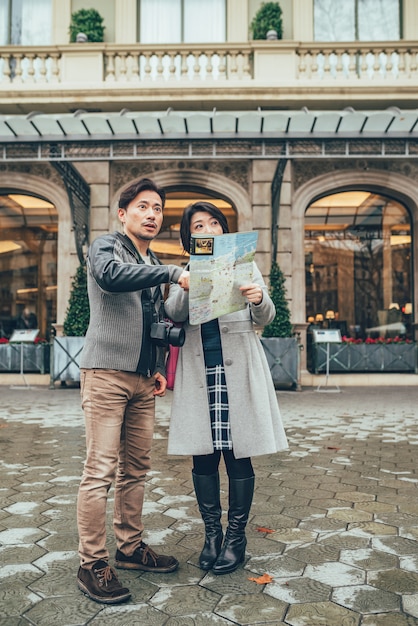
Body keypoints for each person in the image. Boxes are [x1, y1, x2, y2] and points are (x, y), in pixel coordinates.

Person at [76, 177, 188, 604]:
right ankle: (92, 564)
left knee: (136, 469)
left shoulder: (154, 259)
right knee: (99, 471)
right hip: (106, 373)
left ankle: (129, 549)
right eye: (143, 206)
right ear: (123, 214)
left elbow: (156, 318)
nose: (152, 214)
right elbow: (110, 278)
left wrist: (158, 367)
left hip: (143, 380)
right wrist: (174, 272)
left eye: (158, 208)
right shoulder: (106, 247)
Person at [164, 201, 288, 575]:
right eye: (197, 225)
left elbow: (267, 316)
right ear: (190, 238)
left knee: (238, 453)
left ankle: (236, 539)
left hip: (238, 368)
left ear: (224, 230)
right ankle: (212, 536)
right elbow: (174, 313)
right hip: (200, 371)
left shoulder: (245, 264)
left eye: (213, 222)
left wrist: (259, 298)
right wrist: (189, 281)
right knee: (203, 455)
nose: (206, 229)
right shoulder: (181, 271)